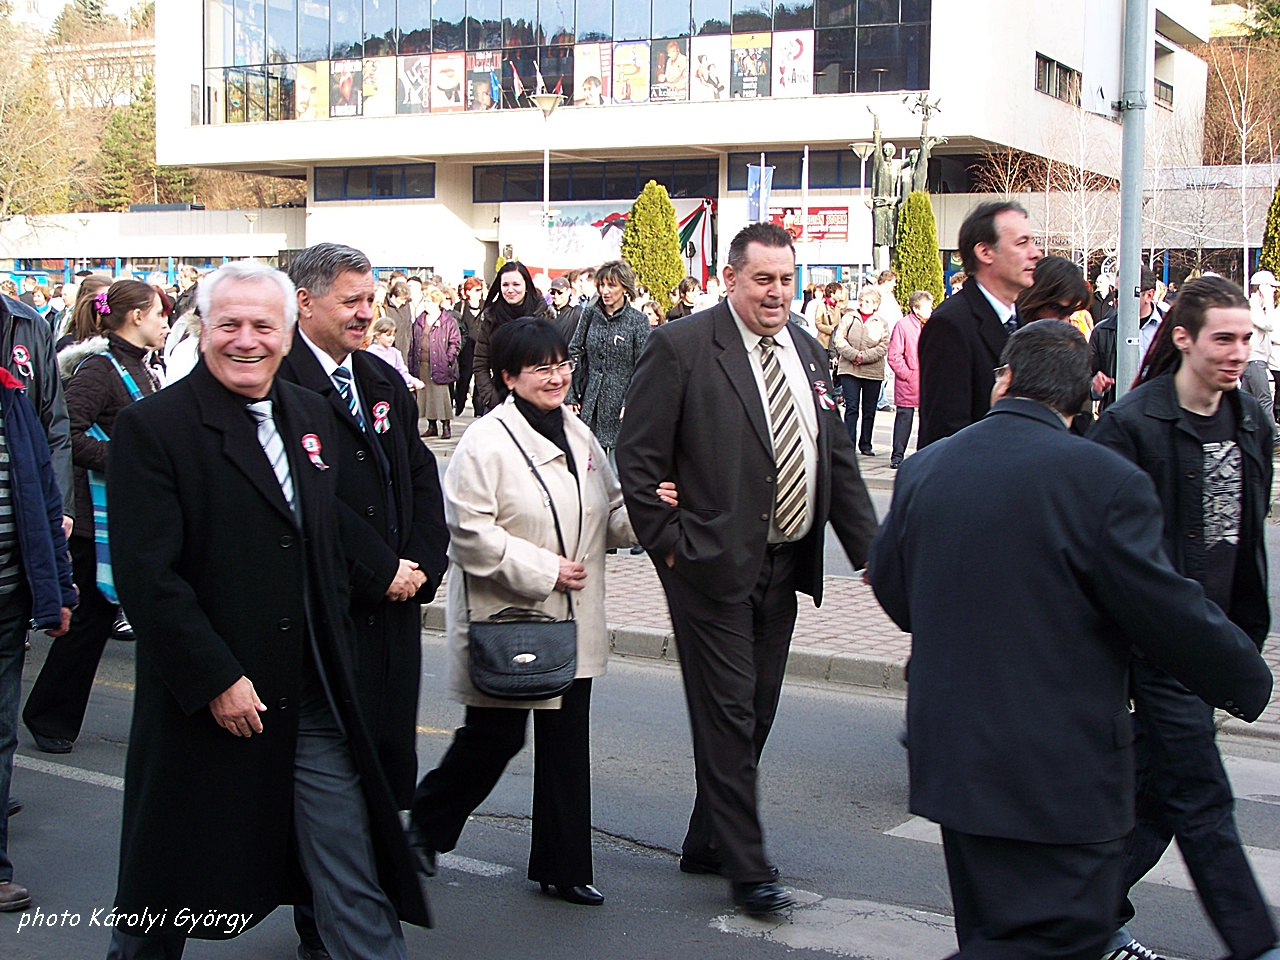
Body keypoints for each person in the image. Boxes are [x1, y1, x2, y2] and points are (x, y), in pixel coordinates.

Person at [866, 319, 1273, 960]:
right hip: (1057, 770)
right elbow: (1165, 611)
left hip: (953, 755)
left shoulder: (927, 467)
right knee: (1057, 941)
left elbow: (894, 592)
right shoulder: (1102, 481)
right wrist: (1246, 673)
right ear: (1083, 398)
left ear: (1006, 379)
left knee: (994, 930)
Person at [104, 259, 430, 959]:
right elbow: (147, 578)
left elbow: (323, 525)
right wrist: (215, 677)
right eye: (229, 324)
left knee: (350, 867)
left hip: (309, 689)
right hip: (209, 695)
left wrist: (384, 573)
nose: (245, 339)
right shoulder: (154, 428)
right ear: (203, 328)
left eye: (262, 325)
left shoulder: (312, 415)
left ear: (286, 334)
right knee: (164, 889)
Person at [616, 223, 879, 916]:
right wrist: (671, 543)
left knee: (757, 709)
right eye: (763, 279)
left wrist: (874, 553)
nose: (777, 293)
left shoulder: (810, 351)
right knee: (729, 712)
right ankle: (746, 863)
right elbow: (637, 460)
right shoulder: (681, 347)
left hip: (785, 563)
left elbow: (838, 460)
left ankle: (709, 839)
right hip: (708, 566)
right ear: (731, 278)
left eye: (787, 279)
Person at [407, 318, 673, 906]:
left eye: (561, 364)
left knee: (565, 742)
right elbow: (468, 535)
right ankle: (423, 829)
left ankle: (563, 865)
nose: (556, 378)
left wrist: (653, 511)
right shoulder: (485, 442)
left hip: (573, 619)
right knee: (493, 739)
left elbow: (608, 515)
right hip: (510, 618)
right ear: (507, 378)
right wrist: (544, 570)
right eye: (540, 368)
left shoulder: (577, 432)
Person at [1090, 277, 1280, 960]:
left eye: (1246, 338)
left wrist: (1238, 644)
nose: (1238, 352)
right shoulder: (1134, 425)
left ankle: (1077, 918)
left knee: (1161, 796)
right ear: (1183, 339)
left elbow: (1247, 540)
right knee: (1201, 795)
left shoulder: (1253, 421)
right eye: (1223, 338)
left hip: (1220, 640)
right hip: (1162, 644)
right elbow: (1113, 555)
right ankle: (1258, 944)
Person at [22, 281, 167, 756]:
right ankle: (49, 715)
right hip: (94, 520)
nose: (167, 321)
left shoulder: (139, 368)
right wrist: (128, 457)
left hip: (127, 513)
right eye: (159, 313)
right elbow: (65, 433)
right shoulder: (100, 370)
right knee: (87, 625)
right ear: (135, 317)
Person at [0, 358, 77, 911]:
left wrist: (59, 590)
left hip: (7, 599)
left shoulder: (12, 399)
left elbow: (43, 496)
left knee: (0, 734)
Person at [917, 201, 1041, 447]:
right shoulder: (950, 325)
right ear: (985, 252)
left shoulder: (1023, 322)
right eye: (1021, 243)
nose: (1035, 253)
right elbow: (945, 435)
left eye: (1033, 242)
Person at [566, 260, 649, 460]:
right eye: (602, 285)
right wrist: (570, 395)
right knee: (588, 464)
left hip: (621, 405)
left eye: (612, 285)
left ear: (625, 287)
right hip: (590, 400)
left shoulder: (637, 321)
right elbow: (574, 351)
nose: (605, 290)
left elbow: (644, 366)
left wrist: (632, 400)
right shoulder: (589, 314)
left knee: (617, 469)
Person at [473, 262, 553, 416]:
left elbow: (553, 362)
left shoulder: (543, 315)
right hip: (500, 403)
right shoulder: (491, 318)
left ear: (526, 285)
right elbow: (480, 363)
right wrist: (492, 398)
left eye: (516, 284)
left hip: (537, 403)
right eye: (505, 285)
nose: (510, 290)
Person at [1089, 267, 1162, 411]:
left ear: (1149, 295)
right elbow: (1086, 378)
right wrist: (1095, 387)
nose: (1116, 299)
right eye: (1115, 293)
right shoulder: (1102, 331)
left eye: (1124, 294)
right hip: (1117, 416)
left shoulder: (1170, 327)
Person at [832, 287, 889, 456]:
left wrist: (864, 357)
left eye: (867, 302)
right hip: (850, 370)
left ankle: (866, 444)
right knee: (852, 407)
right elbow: (839, 339)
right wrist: (854, 355)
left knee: (869, 410)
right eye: (861, 300)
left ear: (875, 305)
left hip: (872, 371)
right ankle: (848, 444)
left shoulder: (882, 323)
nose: (863, 304)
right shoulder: (849, 318)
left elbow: (883, 346)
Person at [885, 290, 931, 468]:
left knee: (926, 421)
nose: (931, 310)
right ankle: (897, 456)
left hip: (927, 382)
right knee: (904, 419)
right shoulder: (902, 326)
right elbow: (894, 356)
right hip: (908, 383)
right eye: (927, 307)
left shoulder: (932, 324)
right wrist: (909, 374)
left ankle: (924, 455)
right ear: (916, 308)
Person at [410, 288, 461, 439]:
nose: (426, 304)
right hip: (422, 363)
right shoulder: (419, 320)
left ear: (437, 303)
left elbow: (455, 342)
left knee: (441, 396)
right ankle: (431, 426)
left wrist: (448, 359)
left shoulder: (448, 321)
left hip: (440, 364)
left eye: (429, 301)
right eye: (424, 301)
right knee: (425, 396)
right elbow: (413, 342)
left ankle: (446, 426)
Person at [1242, 269, 1276, 422]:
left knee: (1245, 402)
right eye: (1271, 287)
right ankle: (1272, 436)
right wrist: (1268, 300)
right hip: (1255, 360)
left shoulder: (1255, 306)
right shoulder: (1253, 306)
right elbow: (1269, 324)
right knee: (1265, 400)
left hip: (1254, 360)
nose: (1274, 291)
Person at [367, 318, 425, 392]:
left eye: (393, 336)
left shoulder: (395, 353)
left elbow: (402, 373)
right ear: (378, 335)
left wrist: (414, 382)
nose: (391, 339)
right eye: (388, 335)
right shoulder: (371, 353)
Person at [455, 276, 485, 415]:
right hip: (466, 348)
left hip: (482, 347)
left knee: (480, 377)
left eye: (480, 289)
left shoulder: (486, 306)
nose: (479, 292)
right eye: (476, 290)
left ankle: (479, 409)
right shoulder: (460, 307)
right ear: (468, 292)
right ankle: (459, 405)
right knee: (464, 377)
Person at [549, 276, 581, 343]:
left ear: (568, 291)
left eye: (560, 292)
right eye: (552, 293)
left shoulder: (577, 311)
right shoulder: (546, 311)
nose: (556, 296)